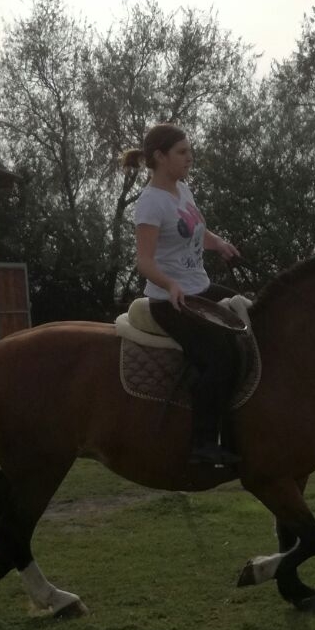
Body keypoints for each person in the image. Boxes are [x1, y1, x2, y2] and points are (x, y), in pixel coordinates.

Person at [122, 124, 242, 466]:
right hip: (170, 300)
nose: (190, 157)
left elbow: (196, 231)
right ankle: (202, 444)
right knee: (220, 358)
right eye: (182, 152)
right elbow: (143, 261)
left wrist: (218, 243)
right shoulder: (150, 203)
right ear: (160, 157)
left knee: (249, 314)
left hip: (198, 288)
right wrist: (170, 284)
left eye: (189, 151)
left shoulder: (183, 191)